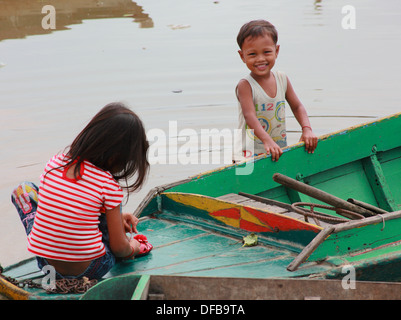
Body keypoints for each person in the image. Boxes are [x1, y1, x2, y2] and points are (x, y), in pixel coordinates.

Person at [11, 102, 152, 280]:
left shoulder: (54, 163)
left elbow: (68, 203)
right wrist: (134, 247)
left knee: (24, 189)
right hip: (91, 269)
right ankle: (113, 222)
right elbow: (119, 249)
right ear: (120, 156)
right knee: (108, 202)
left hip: (46, 264)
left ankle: (47, 245)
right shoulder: (107, 184)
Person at [233, 19, 318, 162]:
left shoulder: (282, 79)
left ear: (276, 51)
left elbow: (297, 107)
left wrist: (307, 129)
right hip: (247, 156)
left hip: (276, 150)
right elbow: (250, 117)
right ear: (242, 56)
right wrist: (267, 141)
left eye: (266, 52)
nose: (260, 59)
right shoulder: (246, 85)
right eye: (252, 54)